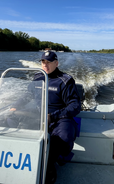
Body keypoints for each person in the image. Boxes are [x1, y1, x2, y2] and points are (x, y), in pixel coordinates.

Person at [34, 51, 81, 184]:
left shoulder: (65, 80)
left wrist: (53, 116)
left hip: (61, 117)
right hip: (39, 115)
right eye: (43, 62)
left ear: (56, 63)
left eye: (49, 62)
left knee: (64, 137)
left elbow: (75, 105)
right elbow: (27, 96)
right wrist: (15, 106)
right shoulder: (37, 78)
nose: (45, 65)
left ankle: (52, 162)